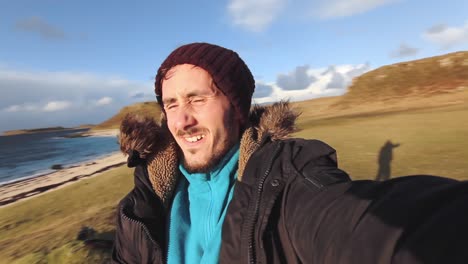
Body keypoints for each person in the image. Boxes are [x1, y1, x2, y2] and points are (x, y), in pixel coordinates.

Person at [112, 42, 468, 264]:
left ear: (237, 109)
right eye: (171, 104)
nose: (183, 120)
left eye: (198, 99)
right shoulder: (145, 201)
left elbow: (362, 225)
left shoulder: (285, 178)